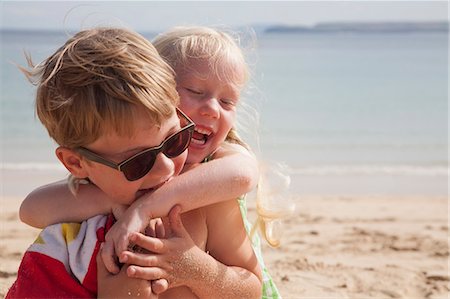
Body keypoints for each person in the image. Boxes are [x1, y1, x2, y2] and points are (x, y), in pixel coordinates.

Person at [19, 26, 285, 298]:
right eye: (138, 162)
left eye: (175, 141)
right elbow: (30, 210)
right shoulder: (104, 180)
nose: (166, 168)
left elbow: (242, 175)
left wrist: (192, 265)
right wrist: (113, 202)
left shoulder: (211, 187)